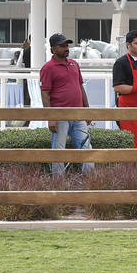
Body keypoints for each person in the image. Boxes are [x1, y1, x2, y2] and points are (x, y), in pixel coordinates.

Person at [40, 33, 94, 177]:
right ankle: (58, 184)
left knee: (86, 148)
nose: (66, 48)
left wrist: (87, 111)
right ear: (53, 49)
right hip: (60, 116)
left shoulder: (74, 64)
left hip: (78, 115)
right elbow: (45, 94)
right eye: (62, 45)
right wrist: (51, 118)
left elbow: (80, 87)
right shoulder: (47, 68)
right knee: (59, 151)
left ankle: (90, 182)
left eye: (67, 45)